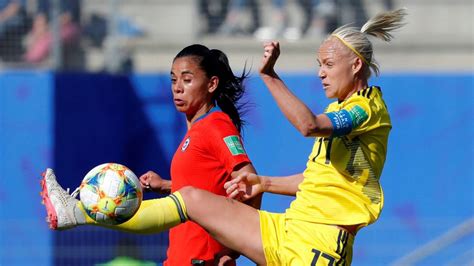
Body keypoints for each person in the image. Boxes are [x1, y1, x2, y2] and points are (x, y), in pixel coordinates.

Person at [40, 8, 406, 265]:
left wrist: (270, 76)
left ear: (355, 65)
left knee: (193, 199)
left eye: (328, 65)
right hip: (292, 229)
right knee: (192, 198)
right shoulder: (349, 116)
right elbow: (318, 182)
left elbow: (309, 125)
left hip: (318, 245)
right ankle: (75, 211)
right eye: (318, 65)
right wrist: (262, 182)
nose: (321, 74)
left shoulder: (365, 109)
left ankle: (77, 213)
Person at [42, 44, 260, 266]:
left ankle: (76, 212)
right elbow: (207, 188)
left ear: (212, 84)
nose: (177, 88)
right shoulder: (195, 131)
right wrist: (166, 185)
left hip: (202, 260)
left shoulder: (216, 124)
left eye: (187, 79)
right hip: (179, 258)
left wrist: (234, 250)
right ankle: (75, 212)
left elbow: (251, 183)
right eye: (173, 80)